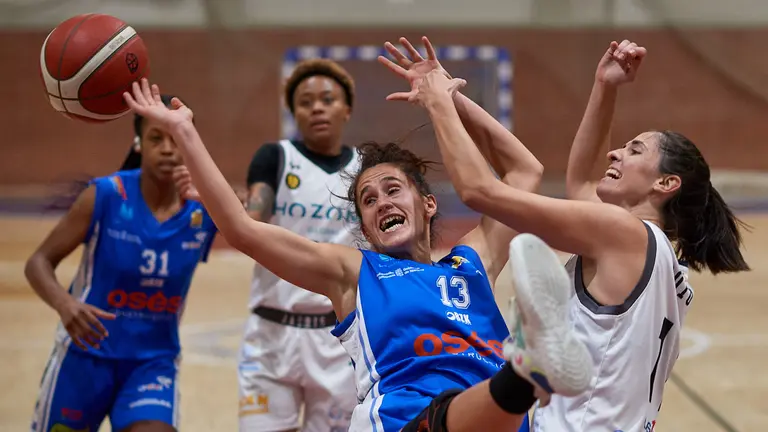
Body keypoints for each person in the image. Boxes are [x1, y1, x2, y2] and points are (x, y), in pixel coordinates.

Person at [123, 37, 594, 432]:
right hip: (405, 419)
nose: (382, 202)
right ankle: (527, 369)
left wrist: (448, 97)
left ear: (428, 204)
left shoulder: (473, 261)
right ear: (365, 226)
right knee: (449, 414)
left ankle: (526, 371)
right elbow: (244, 229)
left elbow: (525, 171)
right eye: (368, 201)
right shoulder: (354, 271)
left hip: (496, 423)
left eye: (393, 190)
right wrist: (185, 132)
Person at [400, 39, 750, 431]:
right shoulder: (658, 257)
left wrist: (440, 104)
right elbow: (583, 182)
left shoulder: (623, 234)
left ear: (666, 183)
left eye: (635, 151)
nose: (616, 153)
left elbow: (480, 192)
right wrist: (605, 85)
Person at [26, 95, 218, 432]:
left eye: (176, 138)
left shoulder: (205, 211)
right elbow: (38, 262)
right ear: (139, 143)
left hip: (152, 363)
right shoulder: (105, 195)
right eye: (157, 138)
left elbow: (255, 225)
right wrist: (65, 304)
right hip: (85, 356)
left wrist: (216, 197)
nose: (168, 148)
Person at [238, 58, 360, 432]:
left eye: (327, 99)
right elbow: (251, 222)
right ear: (293, 113)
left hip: (339, 338)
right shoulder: (275, 157)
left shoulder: (366, 168)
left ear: (347, 110)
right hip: (272, 335)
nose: (317, 107)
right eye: (306, 102)